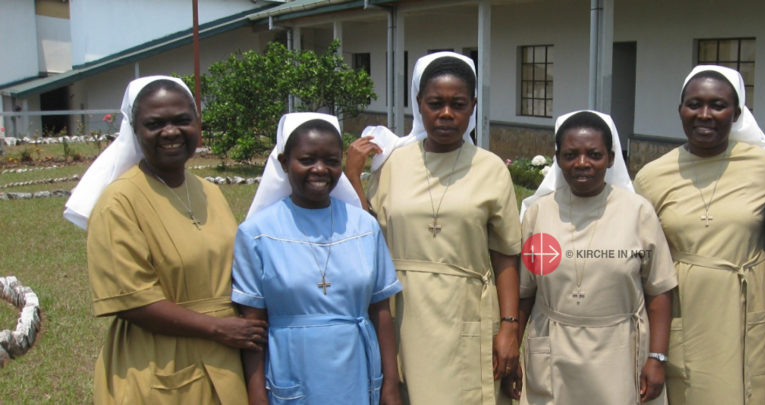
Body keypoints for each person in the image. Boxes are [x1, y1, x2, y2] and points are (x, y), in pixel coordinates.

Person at [70, 76, 266, 404]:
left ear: (197, 125)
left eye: (182, 120)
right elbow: (133, 302)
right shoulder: (118, 202)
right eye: (155, 124)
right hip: (159, 362)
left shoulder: (209, 192)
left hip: (223, 357)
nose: (171, 131)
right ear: (135, 131)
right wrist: (219, 328)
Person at [344, 52, 522, 404]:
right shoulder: (393, 164)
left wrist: (509, 325)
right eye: (435, 103)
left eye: (458, 104)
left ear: (472, 108)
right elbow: (369, 236)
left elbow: (505, 255)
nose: (446, 113)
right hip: (404, 312)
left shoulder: (491, 169)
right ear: (419, 105)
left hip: (465, 313)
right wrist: (352, 177)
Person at [232, 113, 402, 404]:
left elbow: (381, 311)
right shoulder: (256, 233)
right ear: (284, 163)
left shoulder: (364, 226)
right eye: (307, 160)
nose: (320, 169)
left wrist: (390, 385)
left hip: (357, 368)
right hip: (293, 367)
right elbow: (253, 325)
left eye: (331, 161)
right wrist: (257, 395)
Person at [633, 65, 765, 404]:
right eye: (694, 104)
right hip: (687, 307)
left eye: (718, 105)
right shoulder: (653, 176)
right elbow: (643, 259)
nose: (705, 114)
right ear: (680, 110)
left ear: (737, 113)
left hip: (746, 304)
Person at [509, 110, 676, 404]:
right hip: (554, 350)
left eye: (594, 155)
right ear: (558, 159)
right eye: (571, 155)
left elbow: (659, 291)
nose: (582, 163)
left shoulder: (638, 212)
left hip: (618, 352)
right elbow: (525, 293)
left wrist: (657, 357)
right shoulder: (539, 213)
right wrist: (513, 348)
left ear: (610, 159)